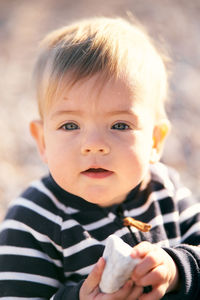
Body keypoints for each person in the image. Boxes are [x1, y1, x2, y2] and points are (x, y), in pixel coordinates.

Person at [0, 16, 199, 300]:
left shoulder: (168, 192)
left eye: (120, 125)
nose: (94, 145)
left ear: (155, 141)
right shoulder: (32, 221)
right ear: (43, 141)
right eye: (70, 126)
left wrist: (176, 269)